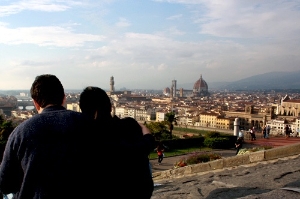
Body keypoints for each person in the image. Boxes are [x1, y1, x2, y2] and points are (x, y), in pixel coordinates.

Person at [0, 74, 89, 199]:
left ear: (35, 103)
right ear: (64, 99)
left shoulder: (20, 132)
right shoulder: (88, 124)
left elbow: (5, 184)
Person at [79, 86, 154, 199]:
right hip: (140, 191)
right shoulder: (130, 125)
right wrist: (145, 132)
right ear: (110, 107)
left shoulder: (88, 137)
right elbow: (143, 146)